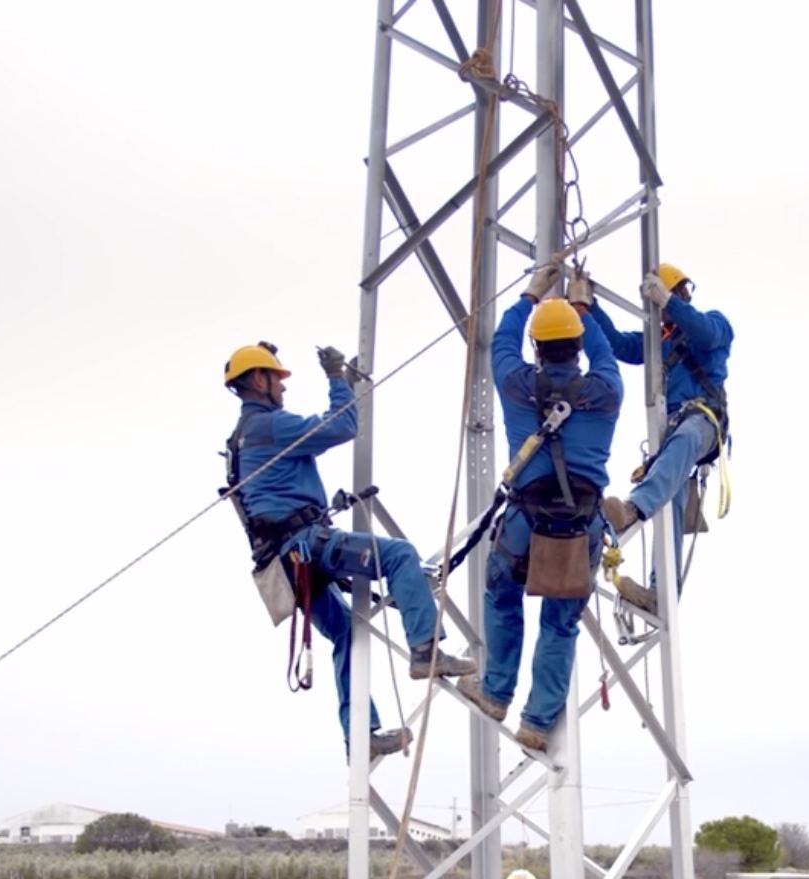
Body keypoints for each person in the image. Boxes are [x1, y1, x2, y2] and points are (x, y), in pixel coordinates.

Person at [221, 342, 476, 759]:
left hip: (286, 562)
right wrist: (338, 379)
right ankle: (426, 650)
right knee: (399, 556)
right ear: (256, 380)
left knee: (347, 634)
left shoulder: (244, 436)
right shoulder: (268, 426)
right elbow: (339, 428)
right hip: (304, 548)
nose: (283, 389)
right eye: (277, 379)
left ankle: (361, 736)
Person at [453, 265, 623, 751]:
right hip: (579, 526)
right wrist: (582, 308)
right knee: (561, 623)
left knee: (502, 597)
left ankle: (496, 691)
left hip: (525, 523)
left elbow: (501, 341)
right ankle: (537, 721)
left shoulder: (515, 383)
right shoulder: (607, 391)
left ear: (537, 348)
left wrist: (530, 295)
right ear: (576, 345)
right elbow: (606, 352)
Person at [585, 263, 734, 613]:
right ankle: (661, 595)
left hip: (703, 422)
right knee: (670, 503)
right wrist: (591, 306)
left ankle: (633, 508)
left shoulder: (714, 323)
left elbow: (707, 334)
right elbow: (621, 344)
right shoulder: (660, 342)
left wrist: (670, 302)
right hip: (673, 436)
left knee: (682, 442)